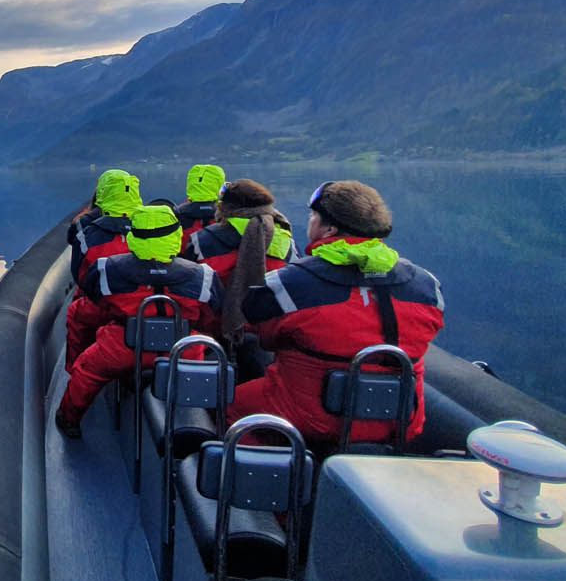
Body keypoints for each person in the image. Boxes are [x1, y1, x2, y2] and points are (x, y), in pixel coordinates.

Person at [232, 180, 445, 448]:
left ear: (329, 228)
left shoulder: (291, 284)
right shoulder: (427, 286)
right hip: (401, 419)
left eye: (313, 216)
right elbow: (430, 328)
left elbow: (265, 333)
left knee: (231, 405)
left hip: (312, 417)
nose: (310, 221)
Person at [56, 204, 223, 438]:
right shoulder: (203, 276)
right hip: (182, 347)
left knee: (87, 371)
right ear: (175, 235)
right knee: (205, 369)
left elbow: (100, 303)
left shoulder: (108, 269)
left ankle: (69, 420)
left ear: (134, 235)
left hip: (123, 344)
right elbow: (210, 316)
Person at [184, 178, 296, 343]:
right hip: (266, 335)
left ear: (225, 208)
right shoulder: (285, 241)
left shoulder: (202, 240)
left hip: (212, 334)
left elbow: (189, 286)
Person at [64, 169, 142, 370]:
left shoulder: (88, 232)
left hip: (105, 305)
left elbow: (81, 278)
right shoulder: (150, 226)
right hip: (145, 305)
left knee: (76, 313)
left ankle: (74, 368)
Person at [175, 163, 225, 250]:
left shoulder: (177, 214)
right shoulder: (228, 214)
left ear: (190, 185)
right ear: (219, 186)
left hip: (185, 261)